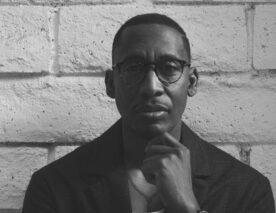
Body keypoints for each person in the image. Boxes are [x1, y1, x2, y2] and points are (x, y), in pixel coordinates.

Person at [22, 13, 275, 213]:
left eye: (169, 67)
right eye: (133, 68)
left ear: (192, 82)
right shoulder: (54, 187)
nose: (151, 87)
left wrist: (188, 209)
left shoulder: (247, 191)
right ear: (111, 83)